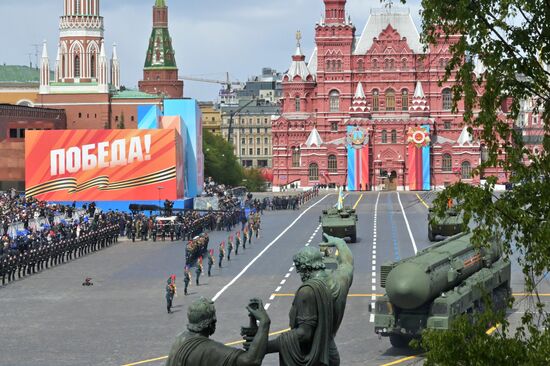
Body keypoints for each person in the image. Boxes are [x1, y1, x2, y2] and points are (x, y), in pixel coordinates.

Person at [266, 234, 354, 365]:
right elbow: (347, 263)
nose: (298, 272)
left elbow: (304, 334)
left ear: (305, 268)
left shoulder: (307, 291)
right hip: (331, 353)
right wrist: (339, 242)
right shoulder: (340, 282)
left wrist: (266, 346)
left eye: (299, 268)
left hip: (313, 357)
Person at [165, 297, 271, 366]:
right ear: (212, 321)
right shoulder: (209, 349)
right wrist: (264, 322)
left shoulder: (179, 339)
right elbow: (251, 361)